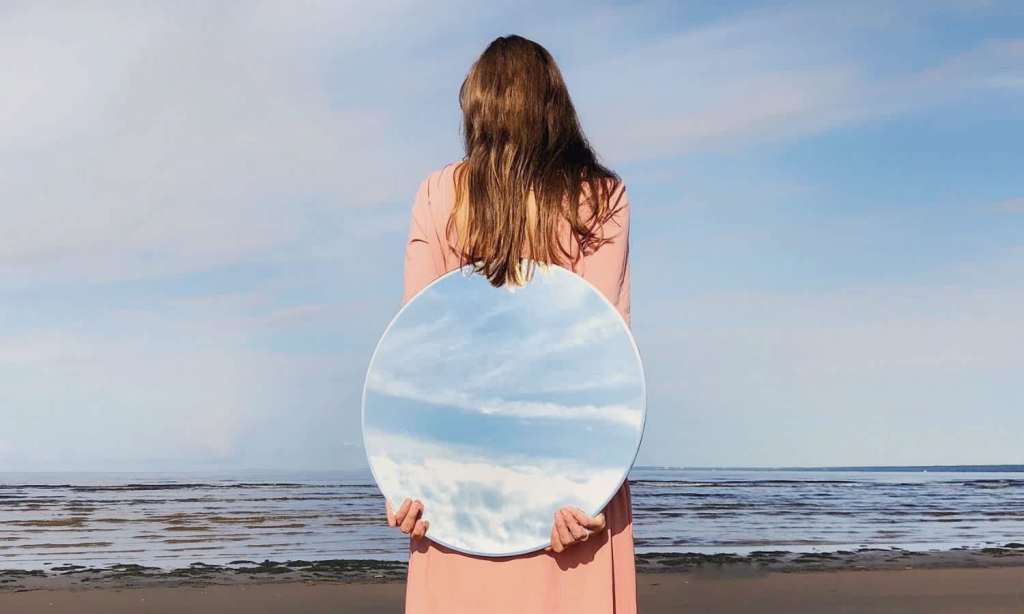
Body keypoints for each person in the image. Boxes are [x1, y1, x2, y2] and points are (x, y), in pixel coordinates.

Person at [387, 34, 635, 614]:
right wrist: (588, 486)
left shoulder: (440, 195)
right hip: (572, 490)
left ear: (476, 110)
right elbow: (604, 356)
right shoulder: (598, 198)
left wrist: (402, 478)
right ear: (554, 107)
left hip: (459, 488)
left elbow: (414, 352)